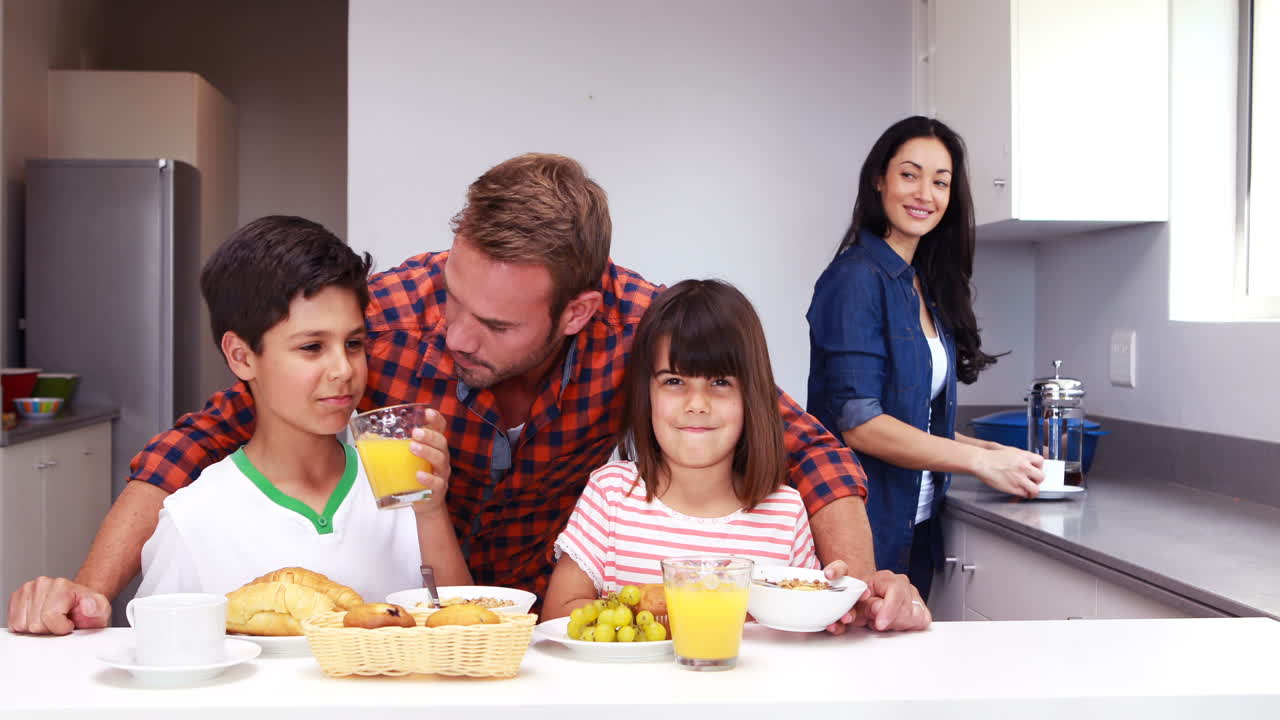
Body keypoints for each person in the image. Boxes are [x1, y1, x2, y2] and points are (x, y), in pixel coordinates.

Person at [8, 153, 926, 635]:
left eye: (493, 325)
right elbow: (201, 438)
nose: (453, 335)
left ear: (577, 314)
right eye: (453, 295)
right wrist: (90, 594)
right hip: (431, 629)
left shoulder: (642, 329)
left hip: (555, 635)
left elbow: (807, 444)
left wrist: (855, 584)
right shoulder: (389, 314)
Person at [137, 216, 470, 600]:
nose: (344, 370)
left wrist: (432, 513)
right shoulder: (192, 521)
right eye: (312, 347)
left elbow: (470, 626)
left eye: (354, 344)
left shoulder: (403, 490)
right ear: (241, 356)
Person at [805, 117, 1044, 599]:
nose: (924, 194)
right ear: (880, 180)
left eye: (940, 181)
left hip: (916, 524)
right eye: (909, 175)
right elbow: (860, 424)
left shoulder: (921, 283)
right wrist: (976, 463)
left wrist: (990, 452)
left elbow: (911, 418)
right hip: (861, 526)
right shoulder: (855, 279)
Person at [543, 280, 848, 623]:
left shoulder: (785, 512)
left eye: (720, 383)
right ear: (647, 394)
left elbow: (803, 621)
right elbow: (557, 615)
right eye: (674, 381)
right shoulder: (611, 493)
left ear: (752, 397)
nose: (697, 404)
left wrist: (835, 603)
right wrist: (661, 617)